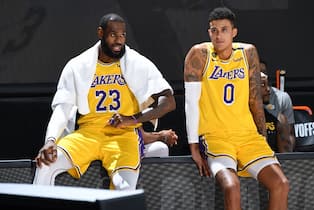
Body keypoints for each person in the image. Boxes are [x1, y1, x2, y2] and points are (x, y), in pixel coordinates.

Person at [33, 13, 176, 191]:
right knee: (45, 163)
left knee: (124, 189)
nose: (119, 40)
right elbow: (62, 109)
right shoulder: (77, 66)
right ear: (100, 33)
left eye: (123, 35)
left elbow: (168, 102)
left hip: (123, 136)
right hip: (88, 134)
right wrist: (50, 141)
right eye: (113, 35)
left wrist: (133, 119)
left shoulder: (138, 63)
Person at [183, 6, 289, 210]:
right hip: (216, 137)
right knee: (232, 187)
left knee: (281, 184)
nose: (218, 35)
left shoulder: (247, 53)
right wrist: (194, 147)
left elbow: (255, 100)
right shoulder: (199, 54)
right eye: (214, 30)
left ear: (234, 32)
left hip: (247, 136)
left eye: (224, 30)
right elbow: (191, 104)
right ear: (209, 32)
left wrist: (262, 137)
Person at [260, 61, 296, 151]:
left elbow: (288, 139)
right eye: (262, 85)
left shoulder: (280, 117)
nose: (268, 89)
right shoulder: (240, 103)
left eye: (267, 84)